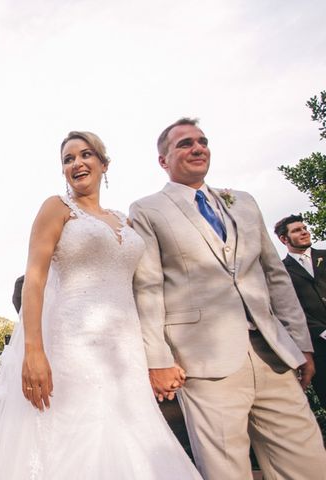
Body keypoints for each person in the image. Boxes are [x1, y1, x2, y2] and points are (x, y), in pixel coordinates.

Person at [0, 131, 201, 479]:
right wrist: (33, 351)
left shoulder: (125, 220)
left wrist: (158, 355)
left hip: (125, 349)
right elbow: (35, 280)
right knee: (78, 435)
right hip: (72, 344)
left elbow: (146, 288)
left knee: (131, 433)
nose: (77, 163)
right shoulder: (56, 208)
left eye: (85, 155)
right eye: (68, 160)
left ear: (104, 164)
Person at [130, 117, 326, 479]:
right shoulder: (147, 210)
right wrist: (157, 359)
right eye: (185, 143)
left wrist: (301, 343)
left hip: (274, 356)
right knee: (226, 471)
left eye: (202, 141)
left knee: (309, 464)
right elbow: (148, 287)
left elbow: (276, 276)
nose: (197, 148)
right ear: (163, 160)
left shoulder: (244, 203)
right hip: (205, 364)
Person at [275, 214, 326, 406]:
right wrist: (321, 331)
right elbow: (287, 308)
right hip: (318, 349)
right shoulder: (280, 271)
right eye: (297, 230)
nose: (304, 232)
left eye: (304, 228)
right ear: (284, 239)